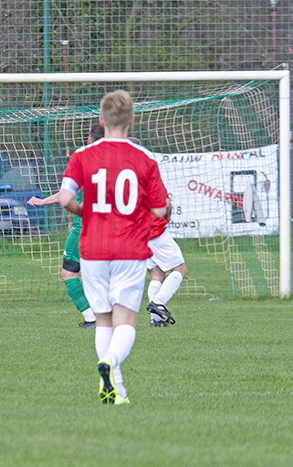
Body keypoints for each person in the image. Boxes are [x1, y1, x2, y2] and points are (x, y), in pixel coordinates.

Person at [58, 90, 168, 405]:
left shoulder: (82, 156)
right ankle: (110, 364)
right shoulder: (145, 158)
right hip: (130, 248)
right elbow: (161, 210)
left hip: (93, 248)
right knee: (126, 320)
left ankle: (116, 391)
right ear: (131, 120)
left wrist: (86, 212)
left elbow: (66, 199)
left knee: (103, 319)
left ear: (101, 120)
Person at [27, 123, 105, 328]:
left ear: (89, 141)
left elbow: (66, 194)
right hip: (109, 229)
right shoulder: (116, 164)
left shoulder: (83, 162)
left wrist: (42, 201)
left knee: (69, 273)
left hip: (84, 230)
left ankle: (92, 318)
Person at [145, 199, 187, 326]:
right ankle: (158, 302)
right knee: (180, 269)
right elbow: (166, 203)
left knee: (156, 274)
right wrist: (167, 216)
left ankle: (156, 319)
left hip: (137, 234)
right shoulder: (151, 179)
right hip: (155, 232)